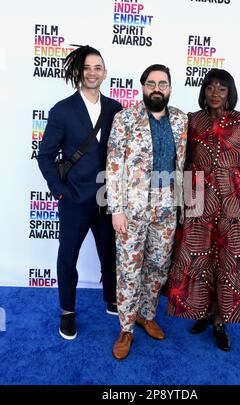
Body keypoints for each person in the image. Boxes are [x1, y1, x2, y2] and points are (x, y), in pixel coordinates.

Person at [167, 68, 240, 352]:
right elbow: (183, 161)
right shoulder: (191, 121)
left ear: (229, 92)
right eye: (210, 87)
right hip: (197, 198)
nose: (215, 93)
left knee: (227, 260)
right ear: (204, 91)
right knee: (198, 257)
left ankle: (221, 320)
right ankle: (203, 312)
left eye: (221, 88)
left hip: (230, 199)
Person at [37, 45, 122, 340]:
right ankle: (68, 311)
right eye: (87, 67)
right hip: (73, 197)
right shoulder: (62, 110)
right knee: (68, 256)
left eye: (97, 67)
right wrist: (59, 191)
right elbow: (45, 155)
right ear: (78, 72)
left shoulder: (115, 109)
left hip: (108, 197)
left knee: (110, 252)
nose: (92, 72)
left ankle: (112, 298)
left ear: (105, 72)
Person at [106, 64, 188, 360]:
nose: (157, 88)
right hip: (132, 208)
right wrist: (116, 210)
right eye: (151, 83)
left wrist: (188, 206)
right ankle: (126, 327)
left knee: (158, 265)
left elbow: (184, 163)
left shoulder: (180, 119)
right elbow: (113, 167)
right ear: (142, 87)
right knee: (129, 268)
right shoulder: (124, 118)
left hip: (167, 206)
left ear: (169, 88)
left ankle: (145, 314)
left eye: (162, 83)